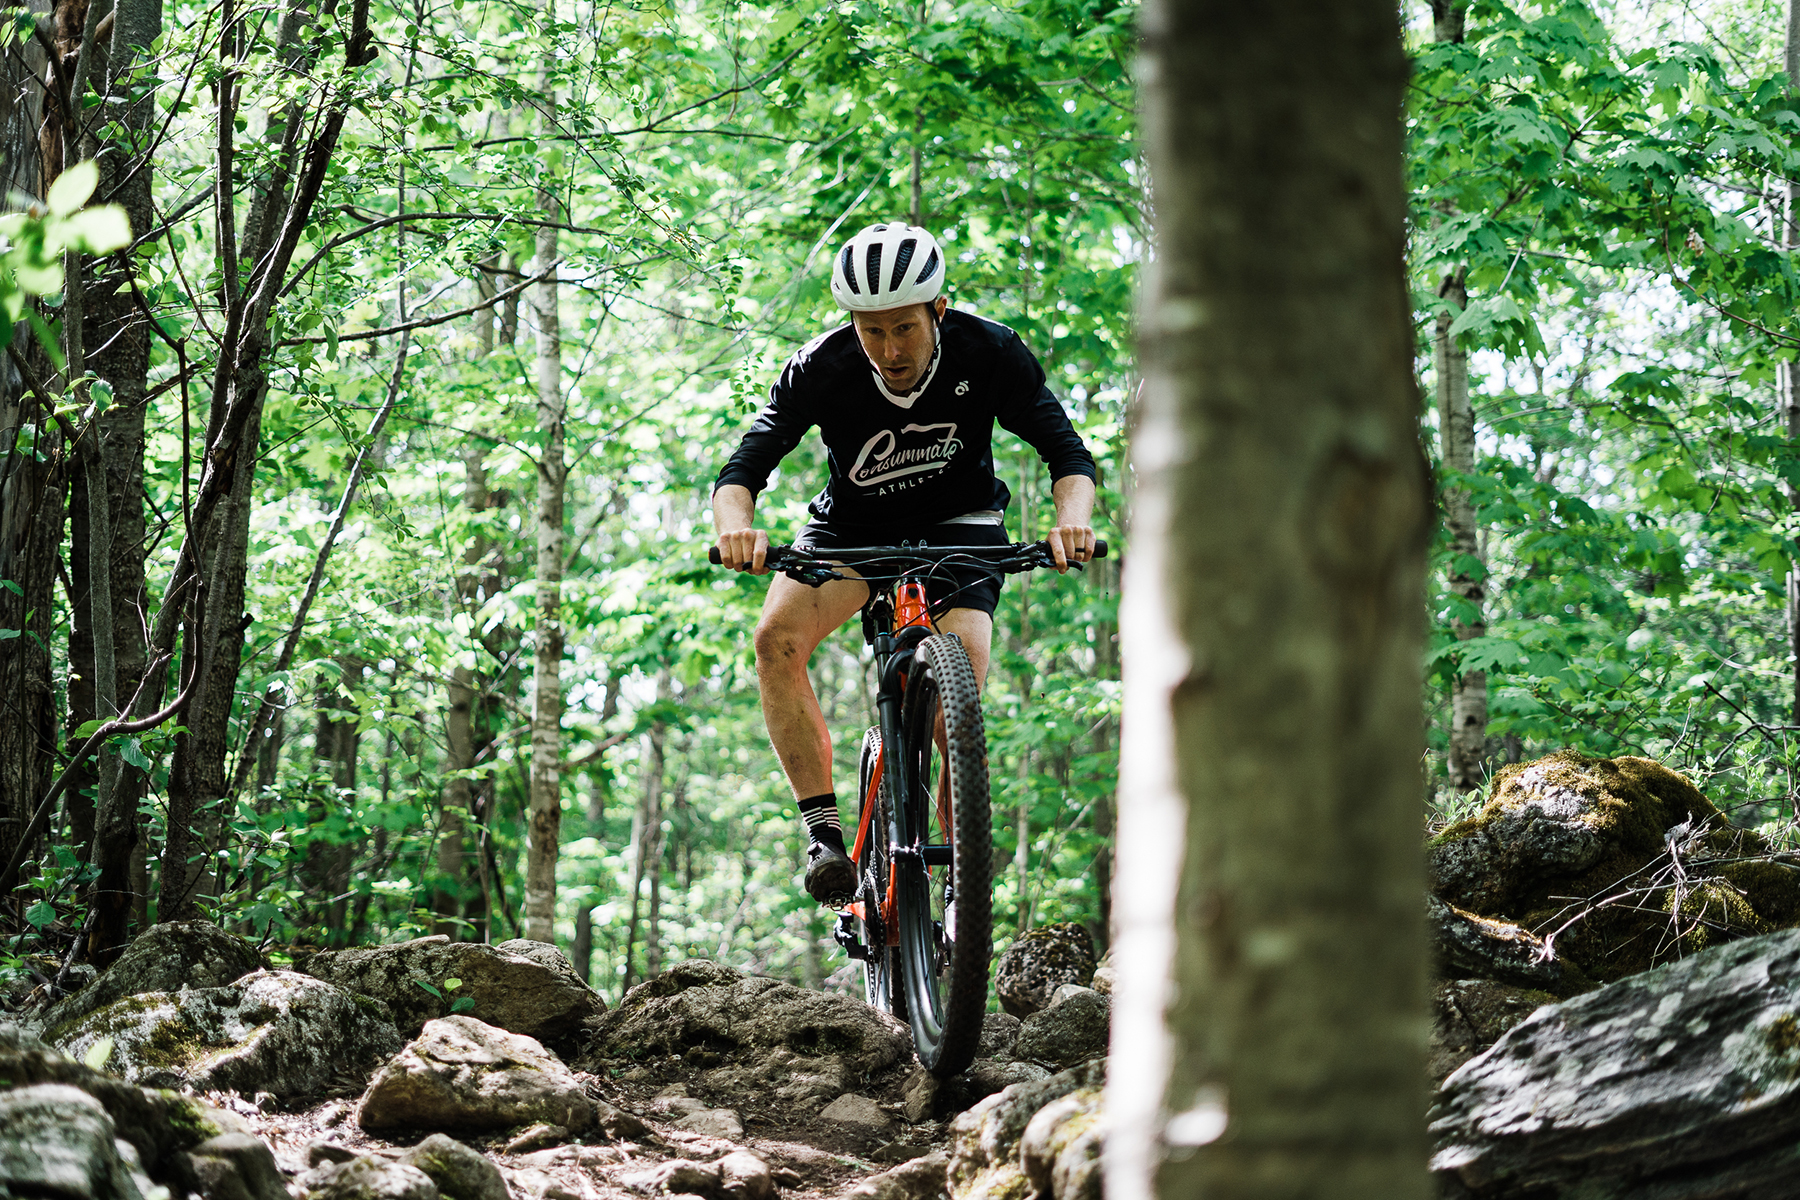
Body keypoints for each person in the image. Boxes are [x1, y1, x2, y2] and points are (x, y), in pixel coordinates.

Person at [711, 222, 1098, 904]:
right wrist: (736, 528)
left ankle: (961, 884)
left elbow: (1065, 452)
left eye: (905, 329)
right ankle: (825, 835)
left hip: (962, 528)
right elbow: (745, 467)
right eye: (872, 331)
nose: (890, 350)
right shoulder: (821, 368)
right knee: (775, 640)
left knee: (960, 698)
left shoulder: (990, 350)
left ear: (937, 311)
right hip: (852, 531)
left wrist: (1073, 520)